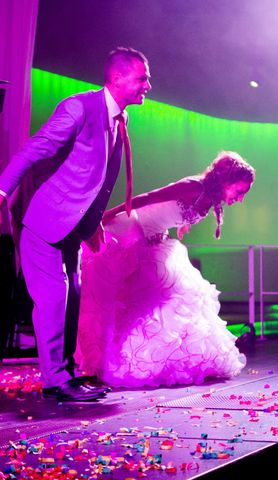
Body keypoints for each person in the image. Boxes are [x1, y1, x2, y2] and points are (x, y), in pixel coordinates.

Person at [0, 47, 151, 401]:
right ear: (117, 78)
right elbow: (35, 149)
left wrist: (93, 222)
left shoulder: (121, 118)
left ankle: (64, 376)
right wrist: (3, 188)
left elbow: (98, 177)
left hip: (73, 226)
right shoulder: (79, 107)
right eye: (142, 77)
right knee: (54, 297)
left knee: (72, 298)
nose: (148, 84)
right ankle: (56, 380)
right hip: (43, 221)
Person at [74, 151, 254, 388]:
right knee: (135, 297)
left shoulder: (209, 198)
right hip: (132, 230)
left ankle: (137, 358)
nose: (240, 198)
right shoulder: (193, 186)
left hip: (154, 238)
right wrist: (105, 216)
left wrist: (181, 225)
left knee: (167, 295)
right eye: (239, 191)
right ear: (226, 181)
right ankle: (110, 360)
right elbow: (147, 198)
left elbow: (176, 213)